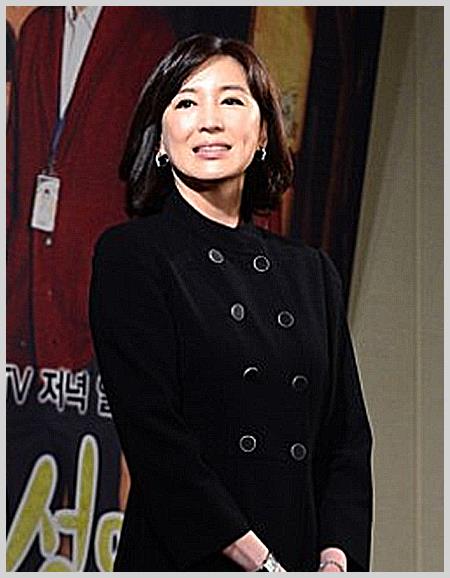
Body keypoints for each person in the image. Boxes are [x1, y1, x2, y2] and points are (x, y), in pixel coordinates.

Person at [89, 34, 373, 572]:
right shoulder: (133, 256)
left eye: (231, 100)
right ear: (160, 137)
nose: (210, 121)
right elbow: (155, 439)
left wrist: (336, 560)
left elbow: (346, 441)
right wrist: (260, 562)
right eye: (187, 102)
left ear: (263, 131)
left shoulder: (312, 273)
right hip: (189, 557)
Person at [6, 6, 174, 570]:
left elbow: (150, 192)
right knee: (20, 506)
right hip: (26, 316)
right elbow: (19, 170)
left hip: (100, 318)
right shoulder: (39, 30)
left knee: (90, 507)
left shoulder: (150, 36)